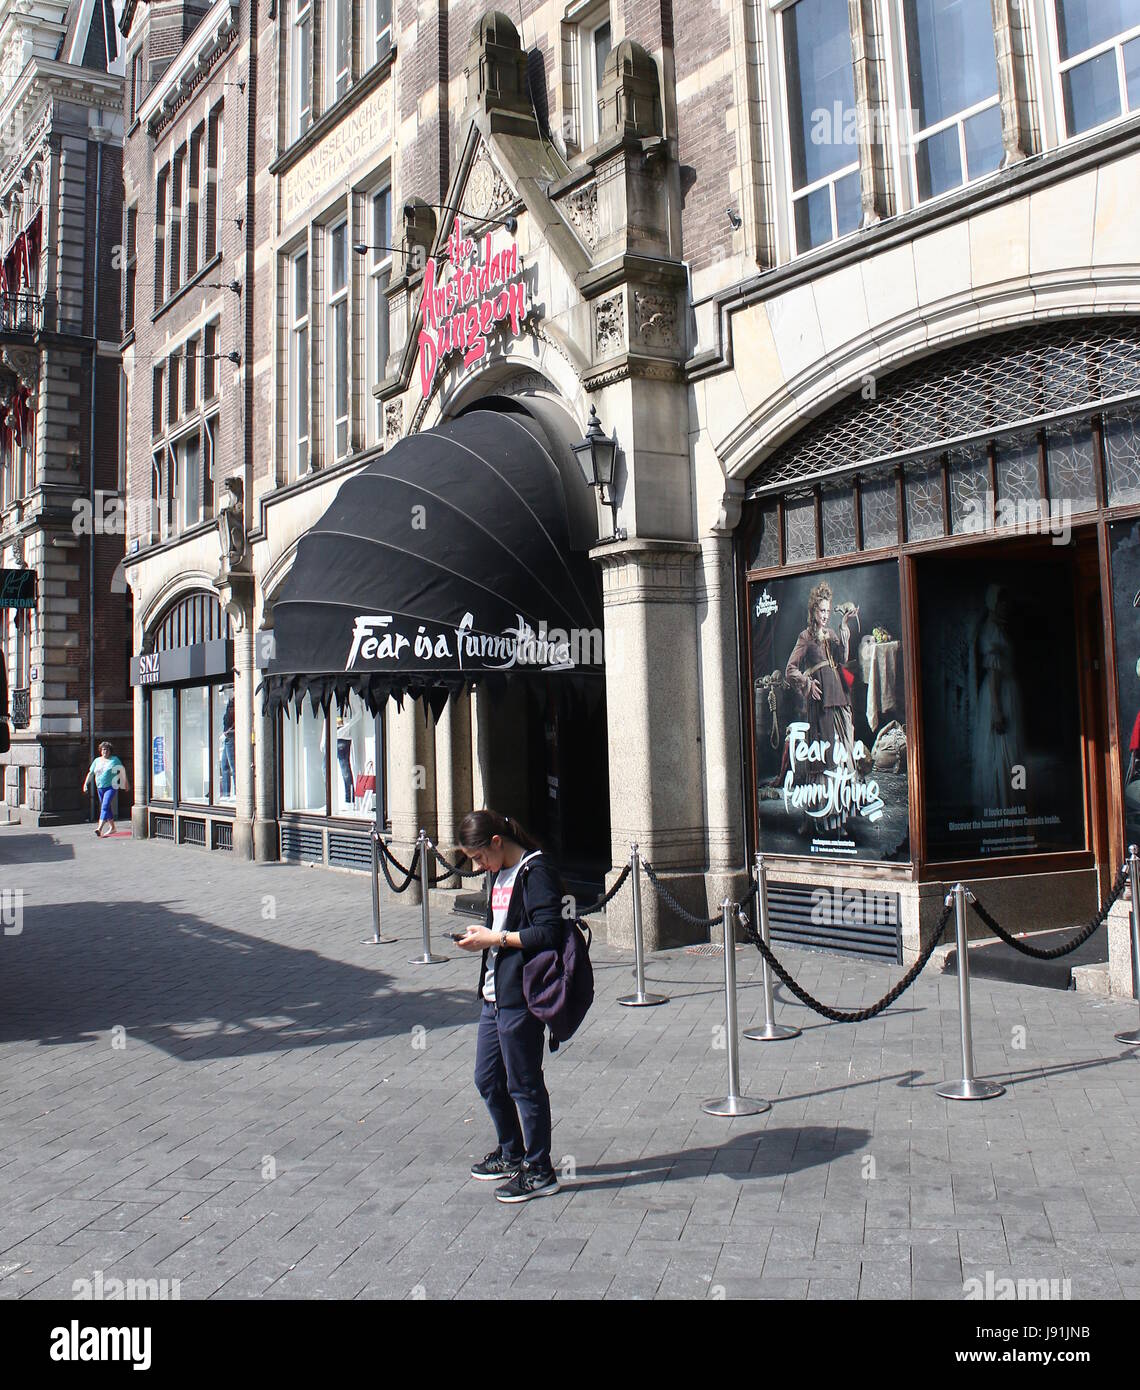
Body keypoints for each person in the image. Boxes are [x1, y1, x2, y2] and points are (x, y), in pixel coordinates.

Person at [455, 808, 565, 1203]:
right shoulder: (499, 872)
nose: (478, 865)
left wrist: (495, 940)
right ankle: (511, 1151)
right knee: (487, 1078)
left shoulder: (535, 872)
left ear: (497, 843)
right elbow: (500, 926)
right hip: (493, 993)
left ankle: (540, 1170)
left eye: (479, 857)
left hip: (520, 995)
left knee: (525, 1083)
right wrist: (482, 936)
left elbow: (548, 932)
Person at [784, 581, 858, 837]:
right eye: (821, 611)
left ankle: (840, 819)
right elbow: (790, 670)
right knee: (822, 758)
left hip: (839, 699)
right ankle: (818, 817)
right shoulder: (805, 637)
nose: (825, 616)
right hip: (820, 702)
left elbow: (843, 660)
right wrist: (806, 682)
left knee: (842, 755)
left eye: (828, 611)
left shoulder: (832, 634)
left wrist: (844, 628)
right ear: (813, 610)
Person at [82, 740, 129, 838]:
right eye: (103, 750)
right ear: (100, 751)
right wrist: (86, 784)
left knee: (104, 805)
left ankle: (99, 828)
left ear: (110, 751)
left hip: (111, 786)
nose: (105, 752)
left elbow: (122, 772)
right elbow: (91, 773)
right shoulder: (97, 761)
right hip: (100, 787)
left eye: (107, 750)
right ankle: (112, 828)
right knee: (107, 808)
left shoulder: (114, 760)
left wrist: (126, 784)